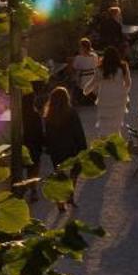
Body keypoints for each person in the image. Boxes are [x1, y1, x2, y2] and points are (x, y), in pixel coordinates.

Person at [42, 85, 87, 217]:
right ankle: (70, 195)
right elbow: (78, 132)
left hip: (56, 150)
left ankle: (60, 202)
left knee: (59, 175)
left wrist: (49, 148)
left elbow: (47, 135)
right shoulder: (71, 113)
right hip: (71, 148)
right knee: (74, 172)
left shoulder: (48, 115)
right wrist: (83, 147)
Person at [69, 37, 101, 105]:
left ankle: (73, 99)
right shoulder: (95, 56)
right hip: (94, 79)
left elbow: (74, 68)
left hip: (84, 81)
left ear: (82, 47)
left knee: (73, 78)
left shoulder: (78, 58)